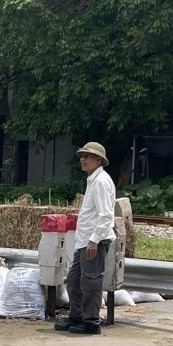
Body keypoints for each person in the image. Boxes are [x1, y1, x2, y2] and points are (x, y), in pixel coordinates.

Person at [55, 142, 116, 335]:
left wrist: (94, 240)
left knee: (90, 282)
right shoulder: (93, 180)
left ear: (99, 160)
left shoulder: (101, 182)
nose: (83, 159)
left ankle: (91, 322)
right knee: (74, 280)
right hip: (86, 241)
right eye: (82, 156)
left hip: (94, 241)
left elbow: (106, 215)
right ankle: (77, 316)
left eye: (87, 156)